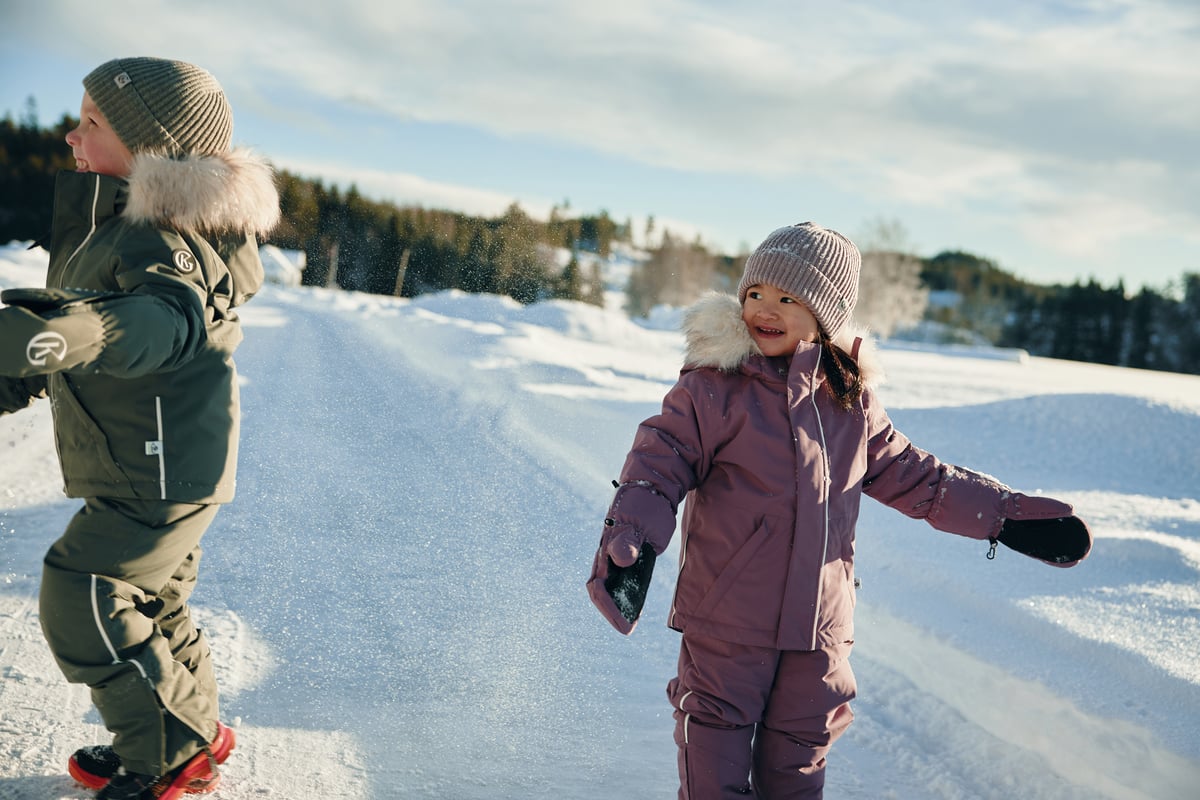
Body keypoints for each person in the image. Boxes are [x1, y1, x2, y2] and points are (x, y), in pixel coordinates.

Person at [587, 222, 1092, 800]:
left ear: (826, 315)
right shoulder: (714, 389)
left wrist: (1003, 515)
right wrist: (633, 532)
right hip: (728, 621)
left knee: (799, 764)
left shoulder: (851, 405)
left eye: (788, 299)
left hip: (820, 632)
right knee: (714, 751)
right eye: (756, 294)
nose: (764, 310)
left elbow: (922, 480)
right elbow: (658, 462)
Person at [0, 57, 278, 799]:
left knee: (85, 589)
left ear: (154, 148)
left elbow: (159, 322)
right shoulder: (116, 226)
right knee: (153, 602)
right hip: (157, 460)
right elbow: (74, 336)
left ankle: (168, 748)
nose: (71, 135)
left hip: (158, 467)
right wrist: (30, 360)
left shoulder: (164, 237)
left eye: (92, 122)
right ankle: (193, 732)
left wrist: (72, 332)